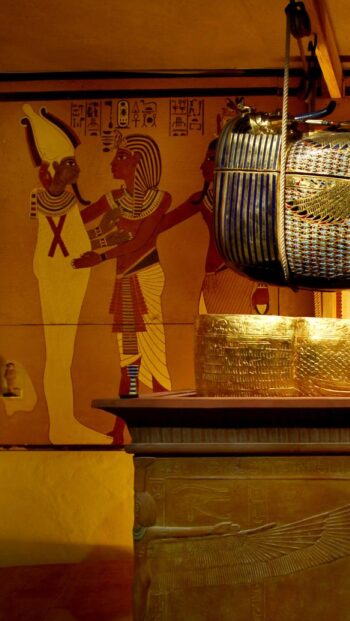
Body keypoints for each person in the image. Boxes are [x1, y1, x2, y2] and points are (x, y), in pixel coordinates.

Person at [21, 104, 113, 444]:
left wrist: (101, 243)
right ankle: (61, 424)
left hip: (68, 276)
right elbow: (60, 243)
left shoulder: (65, 202)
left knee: (63, 354)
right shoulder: (42, 199)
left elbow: (76, 240)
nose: (77, 168)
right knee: (59, 353)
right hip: (58, 277)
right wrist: (95, 248)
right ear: (53, 168)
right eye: (70, 163)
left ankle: (63, 421)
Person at [73, 134, 172, 441]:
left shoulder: (160, 199)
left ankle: (164, 426)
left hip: (145, 276)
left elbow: (141, 240)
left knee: (153, 355)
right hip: (124, 282)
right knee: (129, 360)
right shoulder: (113, 199)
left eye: (122, 157)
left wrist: (100, 255)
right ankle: (121, 430)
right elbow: (76, 221)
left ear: (140, 162)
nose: (113, 162)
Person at [158, 138, 268, 314]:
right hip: (211, 276)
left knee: (236, 329)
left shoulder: (248, 199)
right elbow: (163, 223)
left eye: (210, 159)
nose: (202, 166)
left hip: (237, 276)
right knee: (213, 328)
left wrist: (262, 285)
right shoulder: (203, 199)